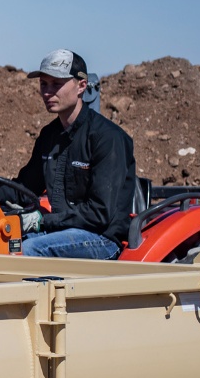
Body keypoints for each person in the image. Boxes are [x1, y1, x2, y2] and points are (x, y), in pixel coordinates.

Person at [11, 49, 135, 258]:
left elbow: (99, 214)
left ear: (81, 86)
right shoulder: (49, 136)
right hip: (63, 231)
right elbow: (23, 189)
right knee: (6, 245)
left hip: (101, 238)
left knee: (30, 250)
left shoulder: (107, 138)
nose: (48, 92)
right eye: (44, 84)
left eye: (56, 84)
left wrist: (43, 221)